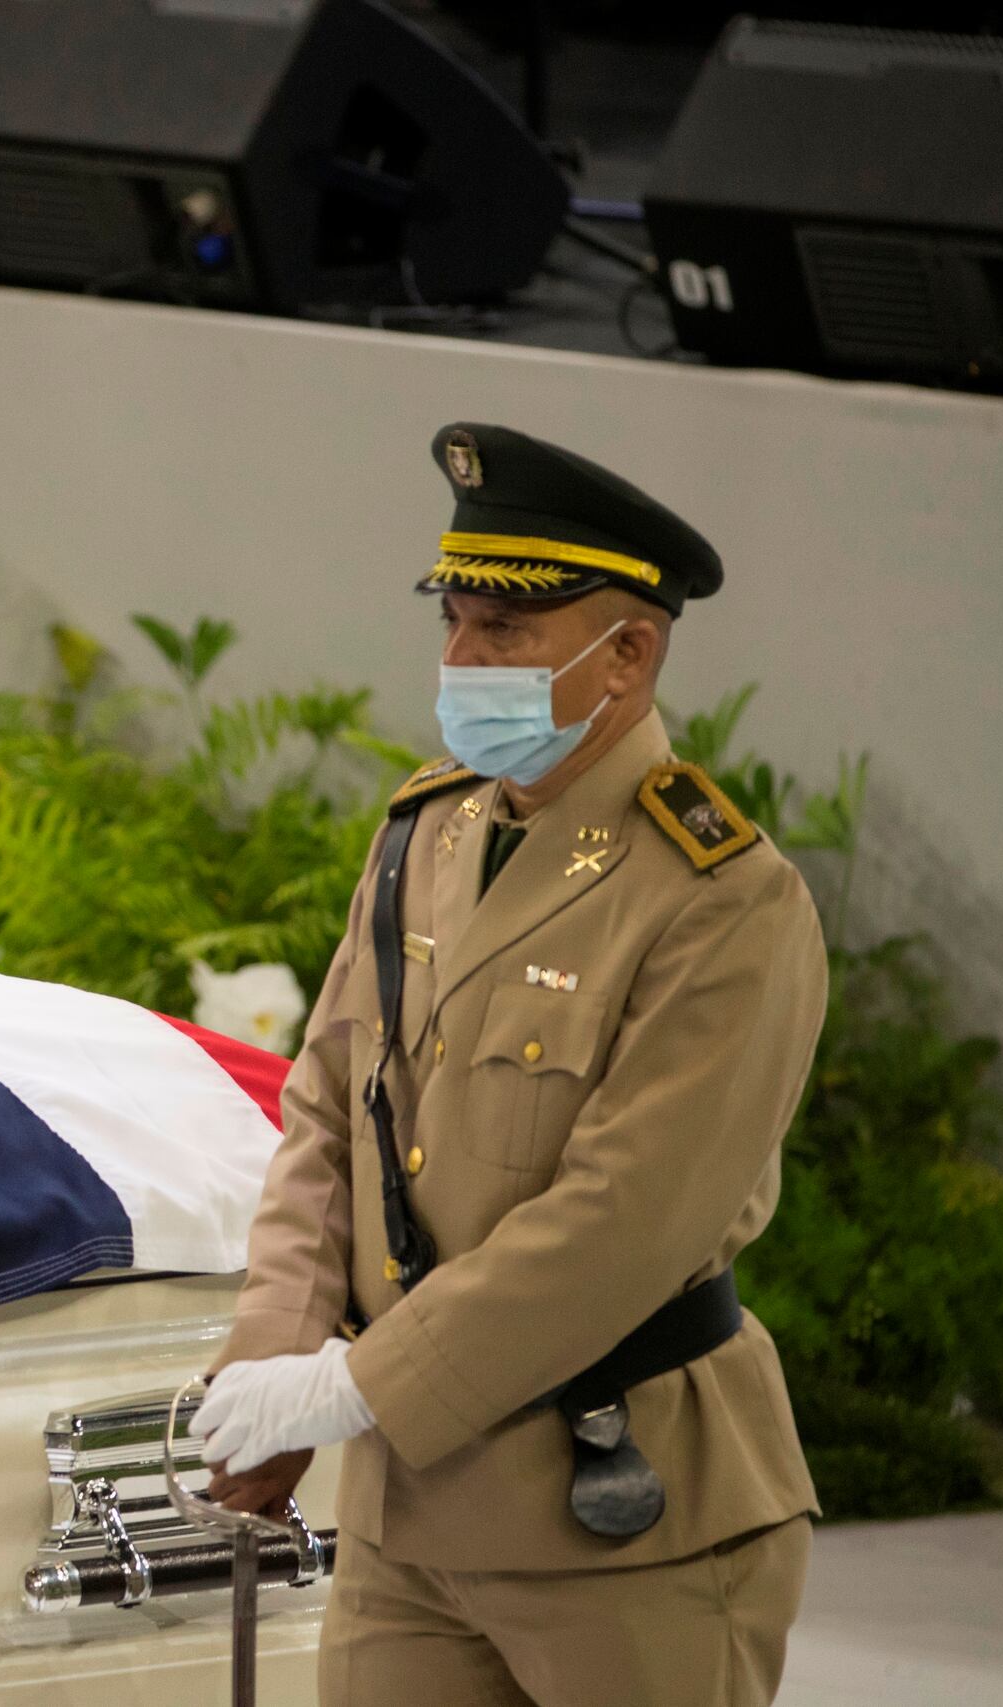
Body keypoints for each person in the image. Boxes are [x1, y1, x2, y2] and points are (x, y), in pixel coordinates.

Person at [191, 424, 824, 1705]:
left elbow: (621, 1224)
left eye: (506, 636)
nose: (460, 663)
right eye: (456, 626)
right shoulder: (423, 835)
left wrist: (348, 1389)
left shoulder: (719, 901)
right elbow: (328, 1114)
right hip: (407, 1523)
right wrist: (270, 1360)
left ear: (628, 656)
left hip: (621, 1513)